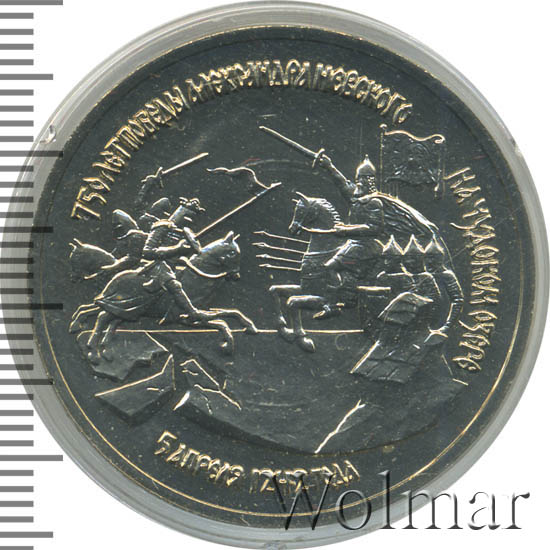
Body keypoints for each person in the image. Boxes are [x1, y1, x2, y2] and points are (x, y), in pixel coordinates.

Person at [315, 153, 385, 318]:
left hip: (367, 246)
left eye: (363, 178)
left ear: (370, 180)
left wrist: (346, 230)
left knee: (330, 267)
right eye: (358, 178)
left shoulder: (374, 202)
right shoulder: (356, 196)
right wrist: (329, 166)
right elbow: (342, 183)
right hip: (354, 244)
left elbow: (374, 228)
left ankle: (333, 305)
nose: (359, 181)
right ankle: (349, 297)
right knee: (339, 267)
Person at [140, 197, 212, 323]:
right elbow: (147, 252)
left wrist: (191, 240)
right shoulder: (162, 227)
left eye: (192, 217)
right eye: (187, 215)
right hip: (156, 265)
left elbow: (198, 251)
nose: (190, 220)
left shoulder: (186, 232)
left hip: (173, 266)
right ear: (180, 213)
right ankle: (192, 312)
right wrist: (177, 249)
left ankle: (173, 313)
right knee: (174, 285)